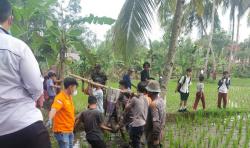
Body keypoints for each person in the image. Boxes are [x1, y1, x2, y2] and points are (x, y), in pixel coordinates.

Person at [0, 1, 51, 148]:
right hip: (25, 126)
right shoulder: (17, 47)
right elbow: (35, 86)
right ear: (10, 19)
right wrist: (38, 97)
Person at [47, 77, 78, 148]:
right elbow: (54, 109)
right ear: (70, 87)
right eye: (75, 87)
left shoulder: (69, 97)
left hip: (70, 129)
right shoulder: (60, 97)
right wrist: (50, 118)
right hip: (62, 131)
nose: (75, 89)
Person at [125, 82, 149, 148]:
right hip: (144, 123)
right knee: (139, 141)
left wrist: (130, 97)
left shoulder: (134, 99)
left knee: (136, 144)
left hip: (137, 124)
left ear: (137, 89)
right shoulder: (147, 98)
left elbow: (126, 108)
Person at [145, 80, 166, 148]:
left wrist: (155, 139)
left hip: (153, 136)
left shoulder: (153, 104)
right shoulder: (161, 100)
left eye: (148, 90)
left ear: (151, 92)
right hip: (161, 133)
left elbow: (156, 124)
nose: (146, 91)